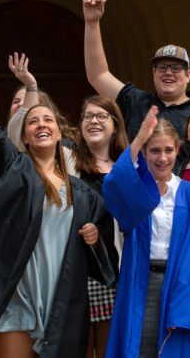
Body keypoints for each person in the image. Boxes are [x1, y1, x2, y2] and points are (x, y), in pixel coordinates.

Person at [0, 67, 117, 358]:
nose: (41, 125)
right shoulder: (15, 170)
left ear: (59, 132)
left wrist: (94, 237)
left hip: (60, 297)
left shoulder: (83, 193)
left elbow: (102, 250)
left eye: (48, 120)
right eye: (33, 122)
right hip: (16, 294)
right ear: (24, 136)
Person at [103, 107, 190, 357]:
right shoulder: (136, 190)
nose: (162, 158)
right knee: (140, 348)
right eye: (154, 150)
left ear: (178, 150)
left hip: (178, 283)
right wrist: (138, 139)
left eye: (168, 150)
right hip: (139, 281)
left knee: (173, 349)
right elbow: (113, 184)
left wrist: (185, 303)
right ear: (144, 153)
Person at [82, 0, 190, 140]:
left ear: (188, 75)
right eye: (162, 67)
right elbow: (98, 75)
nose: (168, 73)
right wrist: (92, 23)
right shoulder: (135, 101)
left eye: (176, 68)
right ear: (154, 72)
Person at [72, 95, 128, 358]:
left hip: (113, 273)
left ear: (115, 125)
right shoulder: (67, 163)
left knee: (108, 350)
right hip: (75, 273)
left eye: (101, 116)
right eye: (88, 116)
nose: (93, 121)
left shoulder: (127, 169)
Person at [5, 52, 77, 174]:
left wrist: (31, 85)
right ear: (24, 138)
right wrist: (31, 86)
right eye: (16, 101)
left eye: (27, 101)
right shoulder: (4, 143)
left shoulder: (68, 151)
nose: (21, 105)